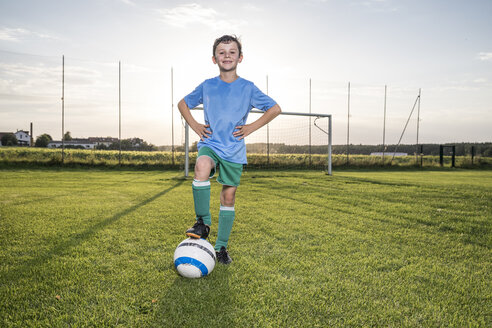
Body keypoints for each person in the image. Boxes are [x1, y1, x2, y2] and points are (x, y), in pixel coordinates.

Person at [177, 35, 281, 264]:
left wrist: (250, 127)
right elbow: (182, 103)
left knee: (229, 196)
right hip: (211, 144)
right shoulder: (207, 85)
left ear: (240, 57)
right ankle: (202, 222)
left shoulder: (248, 88)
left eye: (232, 52)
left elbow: (275, 108)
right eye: (221, 52)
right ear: (214, 59)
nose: (227, 56)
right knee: (201, 165)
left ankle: (221, 248)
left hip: (234, 149)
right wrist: (194, 125)